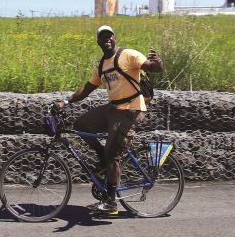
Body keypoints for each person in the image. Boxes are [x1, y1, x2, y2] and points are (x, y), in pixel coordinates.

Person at [56, 25, 163, 216]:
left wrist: (158, 63)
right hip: (113, 108)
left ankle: (110, 202)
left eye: (109, 36)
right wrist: (66, 101)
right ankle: (104, 161)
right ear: (98, 41)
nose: (106, 39)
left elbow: (151, 67)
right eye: (102, 37)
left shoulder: (128, 55)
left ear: (114, 38)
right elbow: (87, 88)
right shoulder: (102, 65)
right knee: (81, 125)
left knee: (113, 153)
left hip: (131, 109)